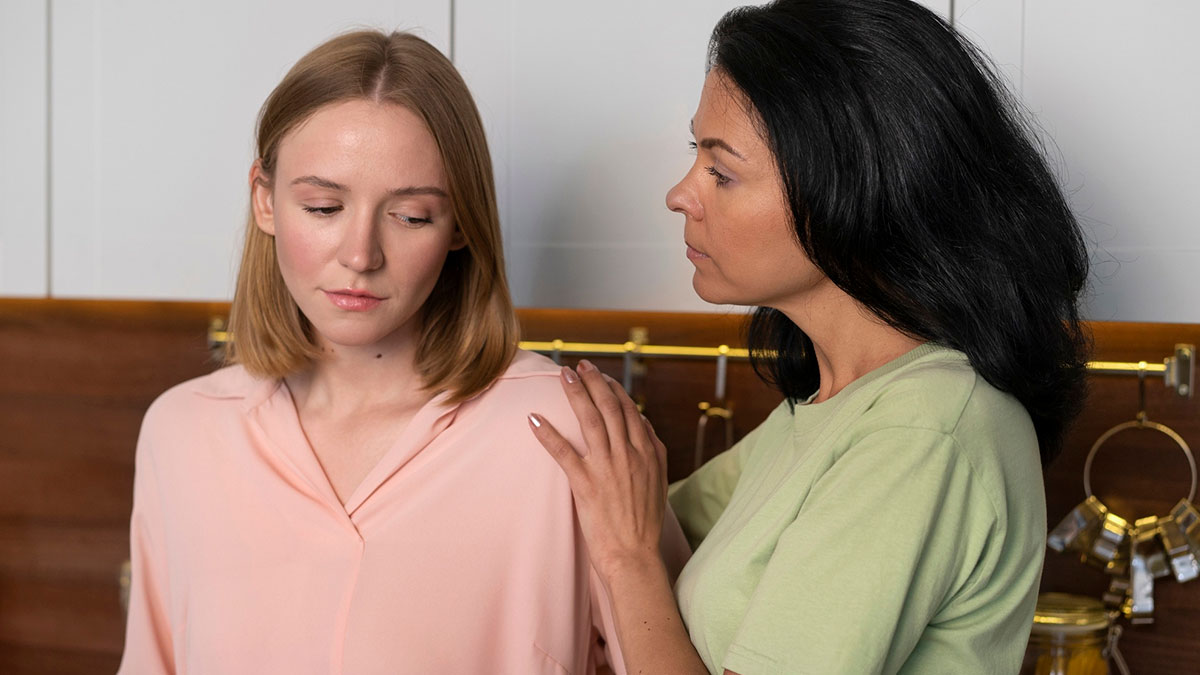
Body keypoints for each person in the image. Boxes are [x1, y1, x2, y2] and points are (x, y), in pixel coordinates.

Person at [528, 1, 1091, 673]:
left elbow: (635, 546)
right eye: (695, 157)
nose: (680, 195)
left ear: (848, 192)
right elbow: (655, 534)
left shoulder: (922, 433)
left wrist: (629, 559)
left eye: (723, 171)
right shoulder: (829, 409)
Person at [119, 29, 686, 674]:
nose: (361, 255)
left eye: (412, 216)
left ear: (460, 227)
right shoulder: (182, 431)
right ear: (264, 200)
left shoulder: (568, 430)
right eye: (324, 206)